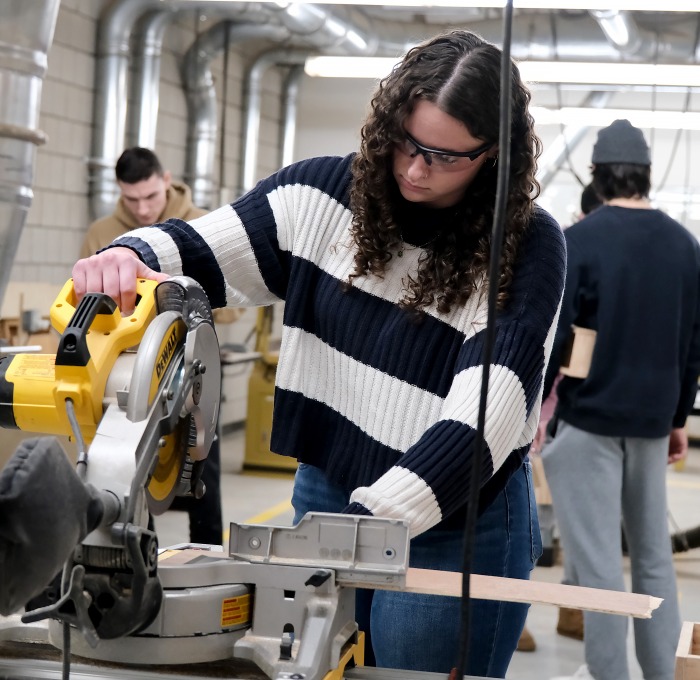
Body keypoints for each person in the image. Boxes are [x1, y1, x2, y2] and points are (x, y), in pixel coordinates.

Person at [71, 30, 566, 678]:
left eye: (446, 157)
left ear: (494, 156)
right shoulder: (324, 195)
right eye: (408, 144)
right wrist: (131, 256)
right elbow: (205, 247)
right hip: (330, 490)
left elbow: (486, 418)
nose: (416, 170)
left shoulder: (523, 247)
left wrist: (368, 523)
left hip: (453, 521)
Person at [541, 119, 700, 680]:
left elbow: (559, 339)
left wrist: (538, 411)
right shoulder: (686, 246)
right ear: (647, 176)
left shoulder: (580, 240)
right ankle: (663, 675)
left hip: (589, 422)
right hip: (654, 423)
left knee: (599, 567)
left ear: (598, 176)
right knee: (654, 560)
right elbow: (692, 344)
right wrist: (677, 418)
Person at [80, 146, 233, 546]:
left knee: (201, 475)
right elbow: (85, 306)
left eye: (150, 196)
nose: (143, 209)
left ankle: (208, 557)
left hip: (192, 370)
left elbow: (234, 307)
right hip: (126, 376)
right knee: (127, 478)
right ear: (119, 191)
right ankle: (135, 561)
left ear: (166, 181)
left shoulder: (203, 225)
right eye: (132, 200)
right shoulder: (102, 233)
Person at [517, 182, 603, 653]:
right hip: (539, 411)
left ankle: (571, 612)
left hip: (561, 413)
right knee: (531, 528)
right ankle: (517, 618)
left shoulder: (584, 255)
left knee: (559, 524)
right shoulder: (560, 251)